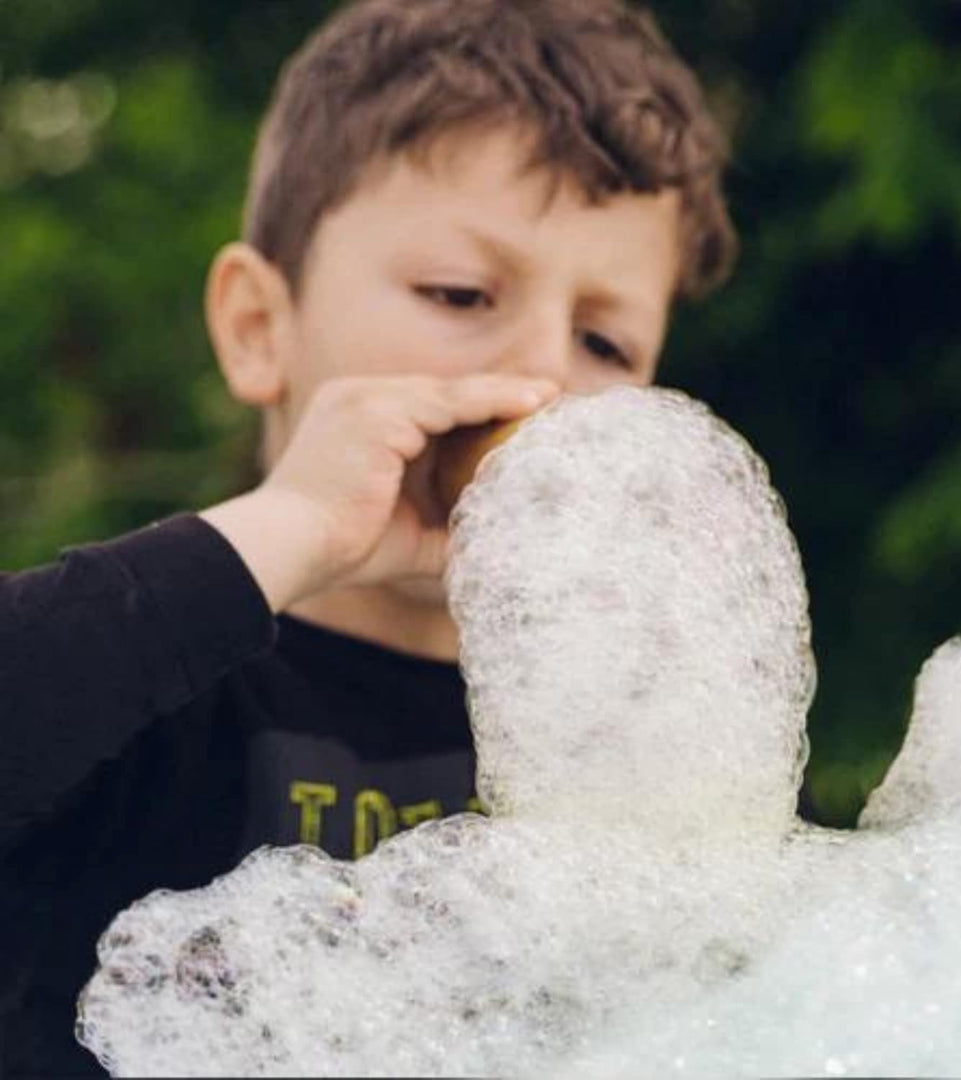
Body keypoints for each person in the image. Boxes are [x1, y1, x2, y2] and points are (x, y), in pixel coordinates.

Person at [0, 0, 736, 1072]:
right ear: (260, 329)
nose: (541, 377)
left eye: (605, 342)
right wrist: (291, 528)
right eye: (461, 293)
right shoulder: (144, 687)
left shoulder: (653, 751)